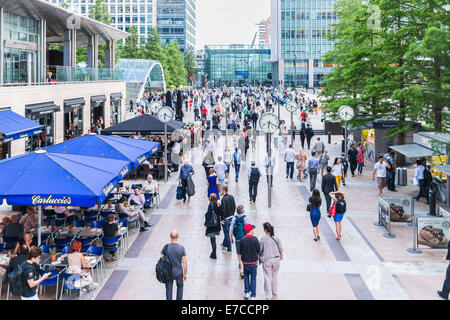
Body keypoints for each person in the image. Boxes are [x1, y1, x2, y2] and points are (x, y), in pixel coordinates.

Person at [160, 231, 187, 300]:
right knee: (180, 286)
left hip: (168, 272)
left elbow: (161, 259)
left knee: (169, 289)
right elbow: (184, 262)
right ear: (177, 237)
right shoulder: (181, 248)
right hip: (178, 272)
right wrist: (185, 274)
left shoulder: (166, 247)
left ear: (170, 237)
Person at [260, 222, 283, 300]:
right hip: (276, 259)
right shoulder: (276, 237)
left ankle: (268, 295)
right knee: (275, 275)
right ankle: (274, 291)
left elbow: (260, 250)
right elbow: (280, 248)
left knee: (267, 277)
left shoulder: (263, 239)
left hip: (267, 260)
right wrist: (281, 256)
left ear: (265, 230)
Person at [240, 224, 260, 300]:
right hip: (254, 262)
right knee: (253, 278)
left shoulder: (242, 240)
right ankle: (253, 295)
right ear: (250, 231)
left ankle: (247, 292)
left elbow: (240, 251)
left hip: (245, 262)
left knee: (246, 276)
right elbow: (258, 250)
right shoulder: (255, 239)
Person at [230, 205, 250, 278]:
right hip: (245, 238)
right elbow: (249, 229)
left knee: (239, 253)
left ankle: (239, 263)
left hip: (237, 239)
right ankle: (242, 270)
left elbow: (231, 229)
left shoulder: (234, 218)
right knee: (244, 253)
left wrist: (231, 238)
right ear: (242, 211)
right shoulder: (246, 218)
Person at [204, 194, 223, 259]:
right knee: (214, 239)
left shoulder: (210, 205)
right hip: (216, 224)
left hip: (211, 225)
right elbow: (221, 213)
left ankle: (214, 253)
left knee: (212, 240)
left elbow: (208, 216)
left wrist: (205, 224)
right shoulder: (218, 205)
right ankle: (213, 252)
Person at [220, 186, 236, 254]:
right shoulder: (231, 197)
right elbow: (234, 206)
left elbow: (222, 210)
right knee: (227, 232)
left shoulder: (223, 199)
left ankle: (229, 249)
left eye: (221, 190)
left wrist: (221, 219)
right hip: (231, 217)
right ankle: (224, 244)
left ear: (223, 191)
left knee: (226, 234)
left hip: (225, 219)